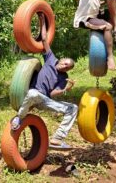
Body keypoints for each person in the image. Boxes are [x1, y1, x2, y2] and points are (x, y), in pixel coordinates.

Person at [11, 13, 78, 150]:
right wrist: (42, 21)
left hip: (44, 100)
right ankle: (19, 117)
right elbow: (44, 39)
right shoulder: (51, 59)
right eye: (65, 63)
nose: (64, 66)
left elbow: (52, 94)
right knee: (33, 94)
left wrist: (65, 89)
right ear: (62, 59)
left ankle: (57, 139)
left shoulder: (63, 78)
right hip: (33, 94)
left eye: (67, 67)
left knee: (73, 108)